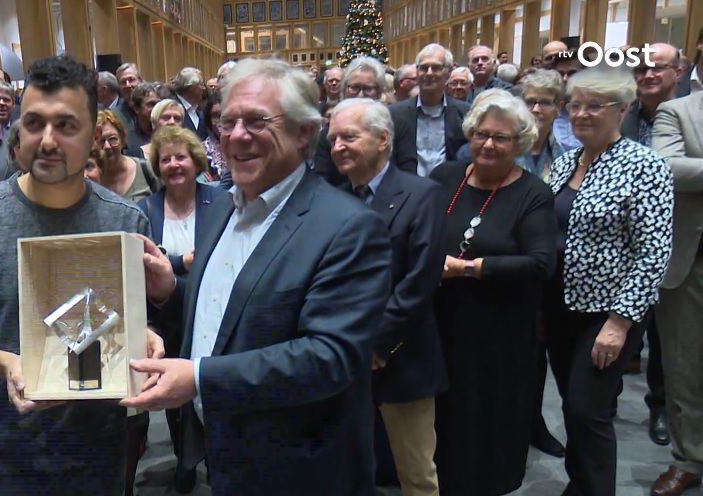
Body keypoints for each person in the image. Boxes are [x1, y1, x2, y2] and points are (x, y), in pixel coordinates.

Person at [120, 58, 392, 496]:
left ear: (304, 132)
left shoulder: (348, 227)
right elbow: (231, 313)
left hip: (302, 469)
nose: (236, 135)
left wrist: (200, 379)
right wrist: (171, 292)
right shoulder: (221, 209)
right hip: (226, 455)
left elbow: (330, 356)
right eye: (228, 122)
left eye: (256, 121)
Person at [0, 55, 166, 496]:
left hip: (96, 450)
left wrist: (142, 333)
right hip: (2, 453)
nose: (47, 140)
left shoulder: (125, 221)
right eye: (34, 123)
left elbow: (127, 318)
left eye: (66, 125)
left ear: (93, 135)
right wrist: (7, 363)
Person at [545, 66, 674, 496]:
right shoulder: (565, 162)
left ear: (622, 110)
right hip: (559, 306)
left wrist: (619, 323)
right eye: (575, 105)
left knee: (589, 411)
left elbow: (653, 252)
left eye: (594, 106)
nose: (581, 114)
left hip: (608, 313)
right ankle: (580, 487)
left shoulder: (646, 166)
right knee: (572, 405)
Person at [429, 89, 556, 496]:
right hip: (442, 320)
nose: (488, 144)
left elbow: (541, 263)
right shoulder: (446, 176)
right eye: (481, 134)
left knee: (488, 412)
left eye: (500, 138)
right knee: (445, 410)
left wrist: (467, 269)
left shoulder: (533, 193)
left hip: (499, 329)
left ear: (519, 143)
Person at [328, 97, 447, 496]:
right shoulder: (333, 199)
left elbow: (420, 281)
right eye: (333, 139)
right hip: (343, 355)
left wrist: (377, 343)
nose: (338, 146)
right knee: (347, 467)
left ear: (383, 139)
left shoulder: (422, 194)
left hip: (402, 355)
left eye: (349, 136)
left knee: (416, 472)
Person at [136, 125, 225, 493]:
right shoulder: (145, 208)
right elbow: (144, 262)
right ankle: (183, 458)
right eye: (165, 159)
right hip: (166, 318)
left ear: (196, 161)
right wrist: (179, 262)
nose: (173, 164)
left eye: (180, 157)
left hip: (212, 312)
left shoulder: (221, 201)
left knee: (213, 390)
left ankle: (218, 462)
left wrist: (178, 265)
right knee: (174, 394)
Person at [651, 74, 703, 496]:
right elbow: (668, 167)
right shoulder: (678, 111)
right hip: (692, 260)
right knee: (685, 365)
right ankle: (689, 457)